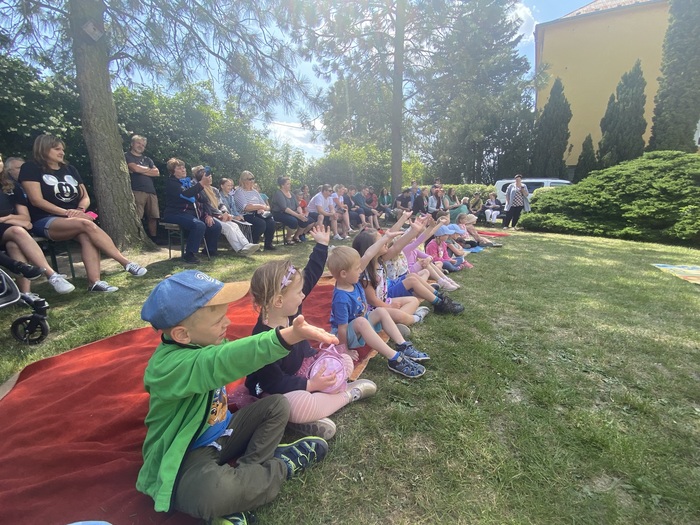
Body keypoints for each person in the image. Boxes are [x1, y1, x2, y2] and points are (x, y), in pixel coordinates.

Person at [138, 270, 337, 525]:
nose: (228, 323)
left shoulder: (203, 342)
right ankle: (281, 466)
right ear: (182, 335)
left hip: (225, 432)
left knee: (278, 405)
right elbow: (225, 359)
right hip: (189, 453)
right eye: (218, 321)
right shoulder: (169, 367)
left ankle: (246, 478)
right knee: (209, 495)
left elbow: (233, 353)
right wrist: (287, 337)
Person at [247, 226, 377, 440]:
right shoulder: (262, 339)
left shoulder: (290, 308)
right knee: (297, 405)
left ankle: (316, 409)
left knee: (344, 359)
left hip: (306, 367)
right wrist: (311, 385)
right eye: (299, 293)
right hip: (282, 388)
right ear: (279, 301)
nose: (303, 296)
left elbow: (311, 274)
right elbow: (274, 383)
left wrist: (321, 246)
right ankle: (348, 394)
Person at [19, 134, 147, 292]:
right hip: (45, 219)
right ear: (43, 149)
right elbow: (36, 200)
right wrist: (68, 213)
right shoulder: (31, 168)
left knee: (87, 234)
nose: (62, 152)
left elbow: (84, 196)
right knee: (86, 225)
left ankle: (94, 283)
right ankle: (125, 262)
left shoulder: (69, 169)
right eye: (57, 149)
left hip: (75, 218)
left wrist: (79, 211)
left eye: (62, 149)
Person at [328, 243, 428, 379]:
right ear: (344, 273)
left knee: (381, 311)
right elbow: (342, 328)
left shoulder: (352, 280)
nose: (360, 271)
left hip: (358, 326)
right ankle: (394, 358)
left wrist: (386, 238)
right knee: (361, 321)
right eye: (357, 269)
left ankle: (403, 345)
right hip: (343, 335)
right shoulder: (341, 298)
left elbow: (368, 254)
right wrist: (344, 350)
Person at [0, 153, 74, 294]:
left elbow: (25, 219)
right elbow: (21, 222)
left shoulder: (11, 187)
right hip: (14, 230)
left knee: (14, 244)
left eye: (0, 160)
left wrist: (5, 218)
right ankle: (51, 275)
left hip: (10, 231)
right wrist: (13, 219)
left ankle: (26, 294)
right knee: (17, 231)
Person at [351, 228, 430, 328]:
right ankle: (416, 318)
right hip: (374, 310)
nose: (386, 242)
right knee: (398, 314)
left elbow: (397, 247)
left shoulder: (379, 261)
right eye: (381, 241)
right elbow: (372, 300)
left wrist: (414, 231)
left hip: (384, 302)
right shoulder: (365, 272)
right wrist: (389, 306)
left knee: (414, 300)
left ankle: (395, 323)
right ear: (372, 248)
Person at [162, 158, 221, 263]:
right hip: (175, 213)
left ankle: (210, 250)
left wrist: (208, 215)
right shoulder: (172, 183)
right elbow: (186, 194)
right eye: (179, 168)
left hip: (190, 214)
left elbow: (203, 199)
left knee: (215, 225)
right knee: (198, 225)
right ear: (173, 171)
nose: (183, 170)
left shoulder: (188, 182)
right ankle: (189, 254)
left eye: (183, 167)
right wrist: (202, 183)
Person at [192, 166, 259, 256]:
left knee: (234, 225)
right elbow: (206, 206)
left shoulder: (214, 190)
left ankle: (246, 245)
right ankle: (240, 249)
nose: (210, 178)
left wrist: (225, 212)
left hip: (219, 214)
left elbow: (221, 204)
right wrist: (220, 214)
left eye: (211, 176)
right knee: (227, 228)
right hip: (210, 215)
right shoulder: (200, 190)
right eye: (208, 176)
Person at [125, 135, 161, 242]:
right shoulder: (127, 156)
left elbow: (157, 172)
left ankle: (153, 239)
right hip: (137, 190)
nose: (141, 146)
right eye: (138, 143)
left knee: (153, 216)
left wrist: (141, 170)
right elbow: (134, 168)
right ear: (132, 144)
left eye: (143, 145)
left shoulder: (147, 159)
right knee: (137, 216)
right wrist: (148, 170)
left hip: (151, 191)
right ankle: (137, 238)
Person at [234, 171, 276, 250]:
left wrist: (261, 208)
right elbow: (246, 207)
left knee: (271, 222)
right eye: (249, 179)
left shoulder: (255, 192)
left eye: (253, 179)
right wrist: (260, 206)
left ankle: (268, 244)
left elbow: (267, 207)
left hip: (258, 213)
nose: (252, 181)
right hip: (245, 215)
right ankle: (252, 243)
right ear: (243, 180)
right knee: (261, 223)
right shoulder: (239, 192)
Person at [271, 177, 312, 245]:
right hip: (279, 213)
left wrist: (301, 214)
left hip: (292, 213)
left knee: (305, 220)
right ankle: (288, 238)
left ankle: (296, 236)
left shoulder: (292, 194)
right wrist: (298, 216)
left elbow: (298, 206)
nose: (290, 185)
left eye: (290, 184)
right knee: (293, 221)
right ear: (282, 185)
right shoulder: (279, 194)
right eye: (288, 184)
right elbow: (284, 208)